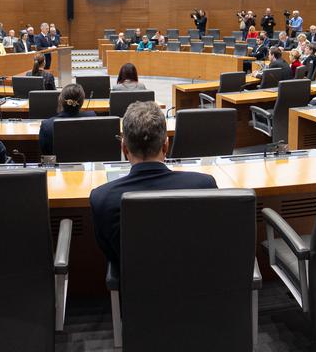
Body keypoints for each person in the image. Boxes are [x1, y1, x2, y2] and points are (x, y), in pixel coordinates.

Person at [89, 102, 217, 272]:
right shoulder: (204, 186)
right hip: (196, 288)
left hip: (137, 292)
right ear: (166, 146)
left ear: (124, 149)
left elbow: (112, 255)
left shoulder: (102, 198)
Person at [39, 83, 97, 156]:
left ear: (60, 100)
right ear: (82, 102)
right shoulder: (92, 117)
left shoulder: (47, 125)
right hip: (85, 164)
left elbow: (45, 153)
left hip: (58, 165)